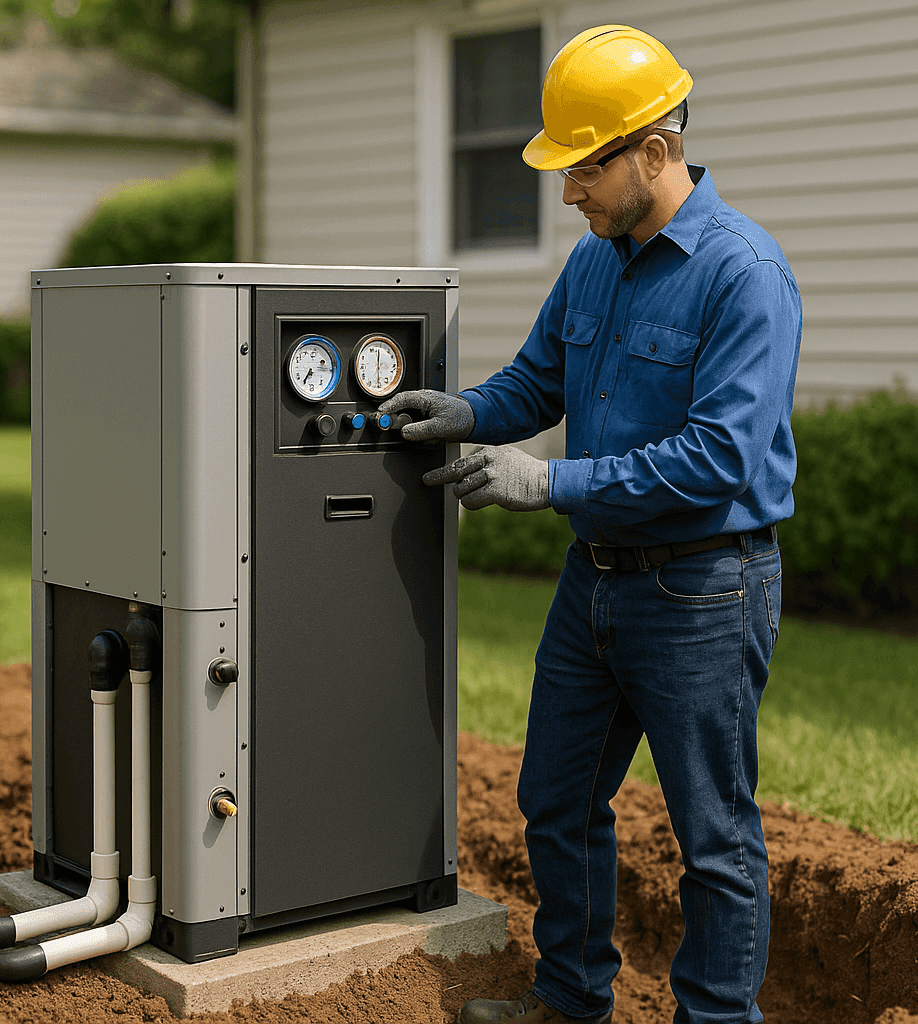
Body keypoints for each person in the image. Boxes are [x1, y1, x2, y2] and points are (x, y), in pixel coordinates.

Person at [380, 24, 802, 1024]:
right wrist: (468, 410)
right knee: (556, 800)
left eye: (583, 168)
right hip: (597, 583)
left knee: (714, 836)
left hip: (704, 588)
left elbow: (716, 459)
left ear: (654, 152)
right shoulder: (594, 260)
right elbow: (540, 380)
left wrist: (546, 482)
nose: (568, 191)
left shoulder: (745, 274)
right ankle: (571, 999)